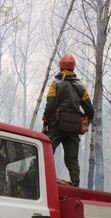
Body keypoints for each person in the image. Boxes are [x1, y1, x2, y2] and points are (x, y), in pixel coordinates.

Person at [42, 54, 94, 187]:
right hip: (73, 128)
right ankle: (75, 185)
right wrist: (85, 123)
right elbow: (89, 109)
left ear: (60, 67)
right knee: (72, 159)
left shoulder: (55, 84)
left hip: (56, 126)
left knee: (46, 153)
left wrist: (46, 121)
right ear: (73, 68)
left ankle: (41, 180)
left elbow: (49, 106)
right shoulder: (81, 87)